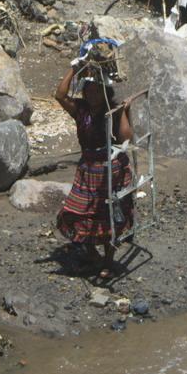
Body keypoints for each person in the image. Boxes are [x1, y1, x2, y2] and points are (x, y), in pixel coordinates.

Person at [54, 57, 134, 278]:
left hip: (112, 169)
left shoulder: (113, 110)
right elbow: (59, 95)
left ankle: (108, 261)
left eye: (96, 91)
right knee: (75, 213)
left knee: (110, 215)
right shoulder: (80, 110)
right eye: (88, 90)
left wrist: (125, 112)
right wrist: (74, 68)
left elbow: (126, 139)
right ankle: (91, 253)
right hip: (88, 171)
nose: (91, 94)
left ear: (105, 92)